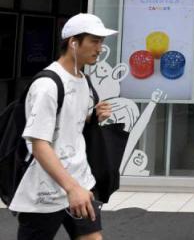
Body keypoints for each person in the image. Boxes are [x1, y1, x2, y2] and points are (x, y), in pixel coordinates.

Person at [10, 13, 116, 240]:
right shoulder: (47, 85)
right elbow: (39, 145)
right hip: (46, 191)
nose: (100, 48)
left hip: (81, 182)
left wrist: (93, 117)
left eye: (101, 42)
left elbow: (69, 121)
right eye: (94, 41)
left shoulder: (82, 80)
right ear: (73, 43)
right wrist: (71, 189)